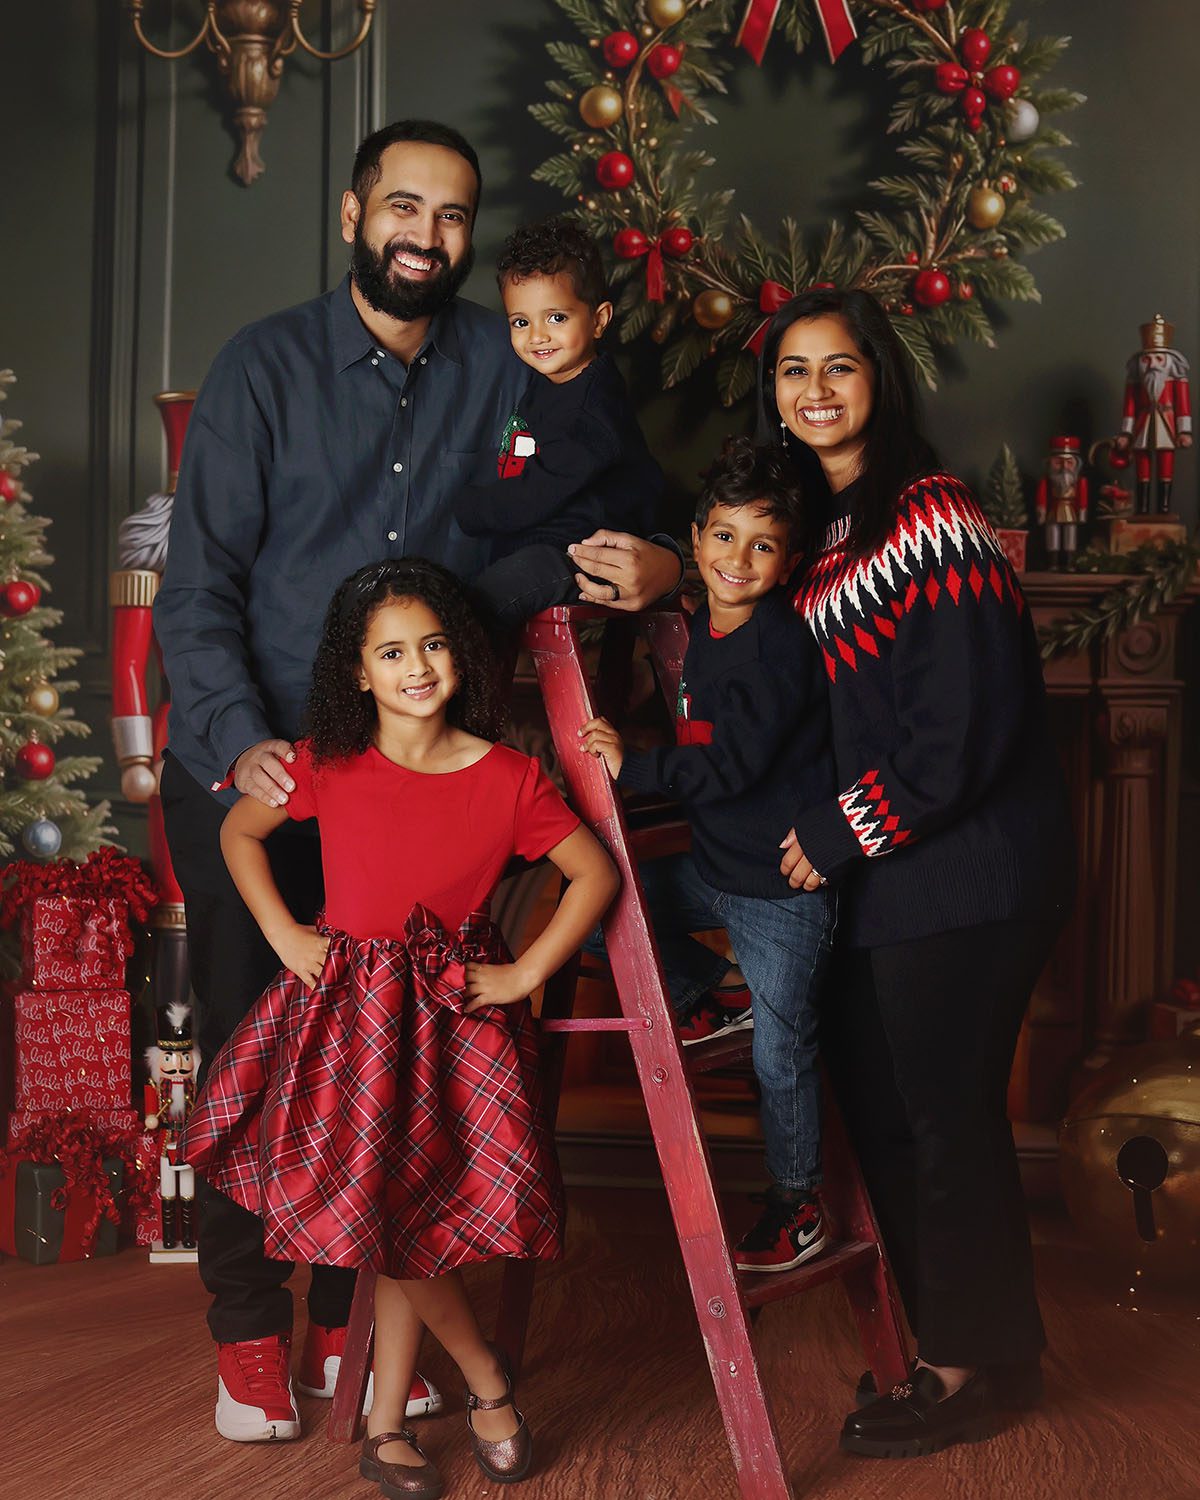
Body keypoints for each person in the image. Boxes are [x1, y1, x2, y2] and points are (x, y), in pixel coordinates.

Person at [153, 117, 681, 1441]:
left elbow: (620, 475)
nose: (423, 236)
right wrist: (234, 739)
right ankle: (244, 1326)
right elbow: (199, 589)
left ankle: (350, 1312)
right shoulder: (260, 368)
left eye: (451, 218)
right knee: (254, 1057)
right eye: (401, 207)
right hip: (266, 763)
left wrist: (663, 561)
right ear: (349, 216)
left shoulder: (512, 371)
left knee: (386, 1070)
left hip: (414, 782)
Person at [181, 558, 618, 1494]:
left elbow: (596, 874)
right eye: (390, 651)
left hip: (455, 1018)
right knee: (388, 1211)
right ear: (358, 672)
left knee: (405, 1216)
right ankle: (483, 1381)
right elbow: (235, 835)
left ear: (458, 654)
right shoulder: (326, 767)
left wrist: (529, 970)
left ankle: (388, 1423)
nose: (416, 666)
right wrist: (283, 932)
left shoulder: (508, 777)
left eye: (430, 645)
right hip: (350, 1017)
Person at [758, 286, 1075, 1457]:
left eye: (840, 368)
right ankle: (986, 1348)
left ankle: (961, 1370)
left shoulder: (930, 516)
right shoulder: (819, 533)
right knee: (889, 1108)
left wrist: (840, 832)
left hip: (974, 862)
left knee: (942, 1115)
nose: (818, 391)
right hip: (894, 869)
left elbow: (964, 728)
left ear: (880, 380)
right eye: (795, 372)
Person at [580, 437, 837, 1273]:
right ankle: (716, 993)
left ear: (789, 560)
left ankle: (797, 1200)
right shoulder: (701, 626)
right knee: (594, 907)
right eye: (723, 537)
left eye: (762, 545)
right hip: (716, 868)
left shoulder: (777, 647)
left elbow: (734, 764)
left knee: (781, 1052)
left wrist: (635, 765)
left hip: (778, 889)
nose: (739, 558)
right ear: (693, 542)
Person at [455, 216, 663, 625]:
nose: (537, 336)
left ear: (599, 320)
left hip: (589, 552)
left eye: (556, 318)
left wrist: (469, 506)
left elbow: (536, 494)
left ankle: (472, 676)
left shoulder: (592, 411)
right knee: (474, 579)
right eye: (520, 322)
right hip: (547, 538)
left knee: (488, 601)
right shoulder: (549, 378)